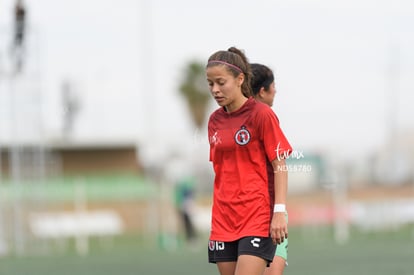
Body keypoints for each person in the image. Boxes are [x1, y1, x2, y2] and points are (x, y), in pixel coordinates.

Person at [206, 47, 292, 275]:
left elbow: (279, 165)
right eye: (210, 84)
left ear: (239, 79)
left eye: (221, 82)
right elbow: (222, 171)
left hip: (256, 215)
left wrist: (279, 212)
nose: (215, 90)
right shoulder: (214, 121)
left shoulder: (261, 114)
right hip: (223, 218)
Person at [251, 63, 289, 275]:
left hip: (272, 213)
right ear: (262, 91)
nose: (276, 90)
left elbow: (279, 165)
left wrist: (279, 211)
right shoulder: (263, 115)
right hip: (259, 215)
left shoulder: (265, 117)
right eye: (273, 85)